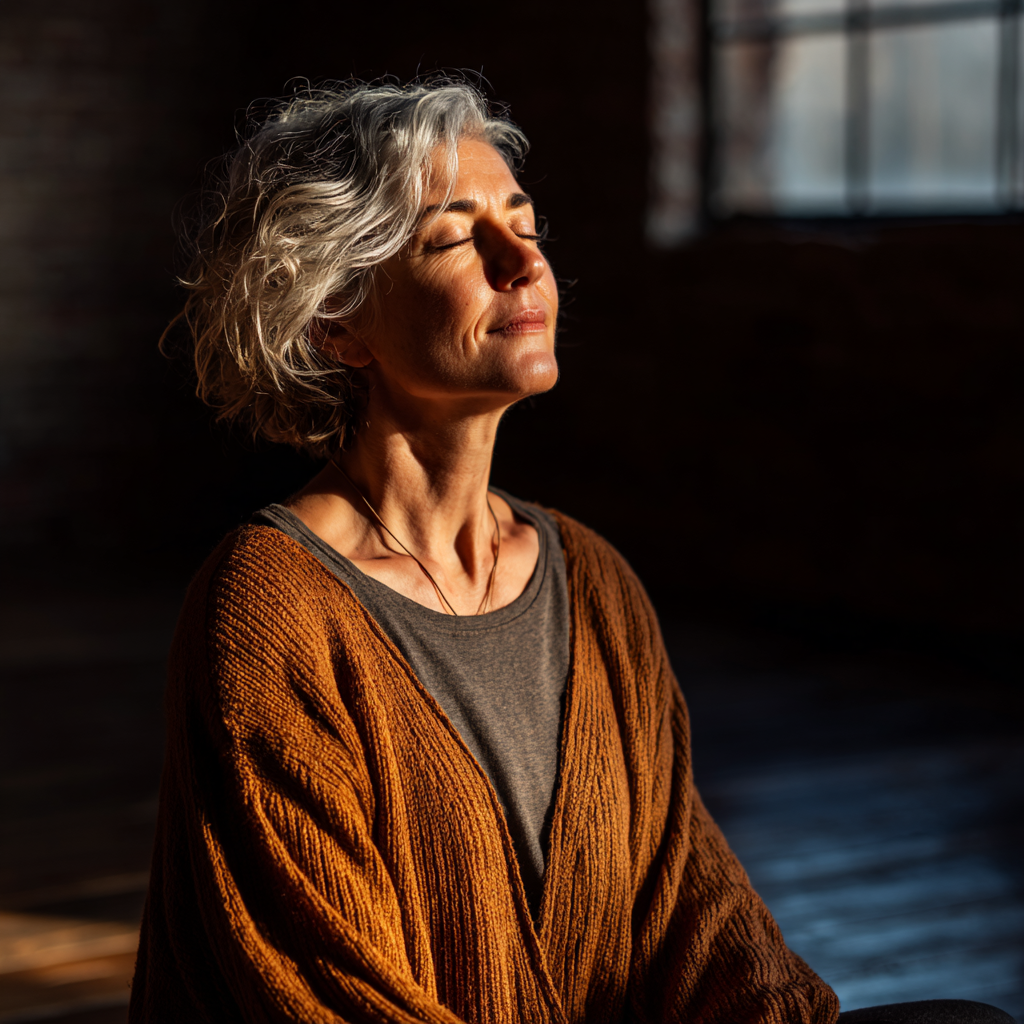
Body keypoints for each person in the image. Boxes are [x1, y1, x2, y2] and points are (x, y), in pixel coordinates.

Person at [128, 79, 1014, 1024]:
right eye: (457, 236)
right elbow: (317, 987)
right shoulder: (270, 610)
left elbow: (696, 909)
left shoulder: (589, 575)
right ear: (336, 323)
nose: (525, 264)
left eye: (525, 223)